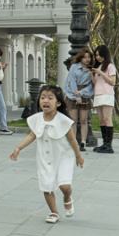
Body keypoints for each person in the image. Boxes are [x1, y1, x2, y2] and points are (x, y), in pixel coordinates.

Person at [9, 85, 84, 224]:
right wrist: (19, 148)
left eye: (50, 98)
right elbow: (32, 135)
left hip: (63, 157)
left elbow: (72, 139)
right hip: (45, 158)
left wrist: (78, 156)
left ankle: (67, 198)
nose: (45, 101)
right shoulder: (36, 119)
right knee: (47, 185)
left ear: (58, 103)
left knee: (64, 186)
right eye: (43, 97)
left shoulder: (63, 120)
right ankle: (54, 212)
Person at [63, 48, 95, 151]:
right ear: (80, 58)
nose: (87, 59)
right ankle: (73, 142)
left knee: (83, 119)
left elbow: (91, 85)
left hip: (84, 92)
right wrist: (77, 96)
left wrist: (81, 94)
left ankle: (83, 142)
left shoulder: (91, 69)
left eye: (89, 57)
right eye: (85, 57)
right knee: (73, 120)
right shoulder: (74, 67)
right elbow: (71, 81)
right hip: (73, 93)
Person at [91, 45, 117, 155]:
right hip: (98, 94)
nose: (98, 57)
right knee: (101, 120)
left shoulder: (110, 66)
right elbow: (96, 83)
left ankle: (109, 145)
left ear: (104, 54)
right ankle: (104, 143)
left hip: (107, 94)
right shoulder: (99, 66)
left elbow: (112, 82)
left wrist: (101, 73)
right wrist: (92, 75)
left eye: (99, 55)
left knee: (107, 119)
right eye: (96, 55)